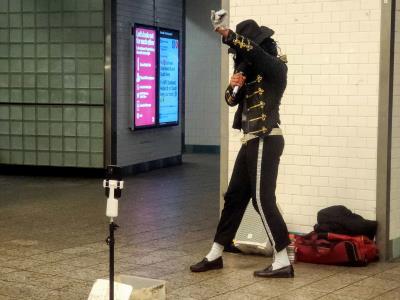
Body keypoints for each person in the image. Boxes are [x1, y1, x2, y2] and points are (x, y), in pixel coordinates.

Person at [190, 12, 294, 278]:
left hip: (266, 137)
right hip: (250, 140)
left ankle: (282, 259)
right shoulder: (247, 71)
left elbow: (256, 54)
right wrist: (233, 85)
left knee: (261, 199)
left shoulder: (274, 67)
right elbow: (231, 101)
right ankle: (215, 254)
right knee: (235, 197)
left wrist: (228, 35)